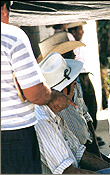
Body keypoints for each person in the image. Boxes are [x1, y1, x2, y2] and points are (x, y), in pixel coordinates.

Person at [1, 1, 76, 174]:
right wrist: (53, 96)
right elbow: (35, 93)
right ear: (4, 7)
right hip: (12, 136)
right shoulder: (11, 35)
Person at [35, 52, 110, 174]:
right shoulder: (43, 121)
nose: (76, 88)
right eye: (73, 85)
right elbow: (68, 172)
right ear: (64, 90)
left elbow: (78, 152)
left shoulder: (55, 115)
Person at [37, 31, 110, 163]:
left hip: (86, 147)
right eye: (71, 55)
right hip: (72, 154)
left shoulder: (74, 84)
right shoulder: (50, 96)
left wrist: (96, 149)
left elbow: (85, 115)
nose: (75, 57)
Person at [67, 22, 101, 145]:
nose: (82, 32)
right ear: (73, 31)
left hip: (82, 73)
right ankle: (89, 136)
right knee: (84, 106)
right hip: (78, 75)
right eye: (80, 29)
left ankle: (92, 135)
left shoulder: (73, 40)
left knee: (88, 105)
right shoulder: (68, 37)